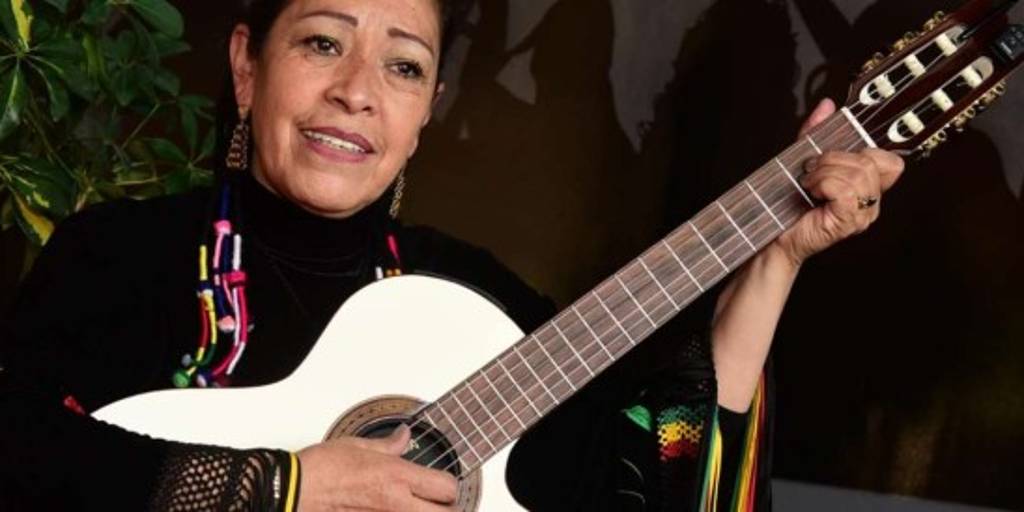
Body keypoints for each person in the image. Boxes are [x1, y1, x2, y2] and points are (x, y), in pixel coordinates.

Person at [0, 0, 904, 510]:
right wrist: (288, 484)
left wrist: (777, 256)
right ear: (247, 66)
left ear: (427, 108)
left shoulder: (473, 302)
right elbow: (20, 453)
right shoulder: (118, 258)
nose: (357, 92)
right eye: (322, 43)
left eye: (403, 66)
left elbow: (658, 474)